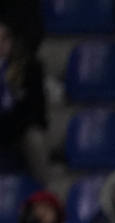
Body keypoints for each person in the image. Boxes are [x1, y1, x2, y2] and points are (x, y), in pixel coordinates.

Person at [0, 18, 49, 183]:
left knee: (34, 139)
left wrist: (15, 126)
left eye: (4, 39)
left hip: (20, 127)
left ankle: (43, 193)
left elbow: (36, 108)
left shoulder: (29, 67)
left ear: (11, 41)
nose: (0, 44)